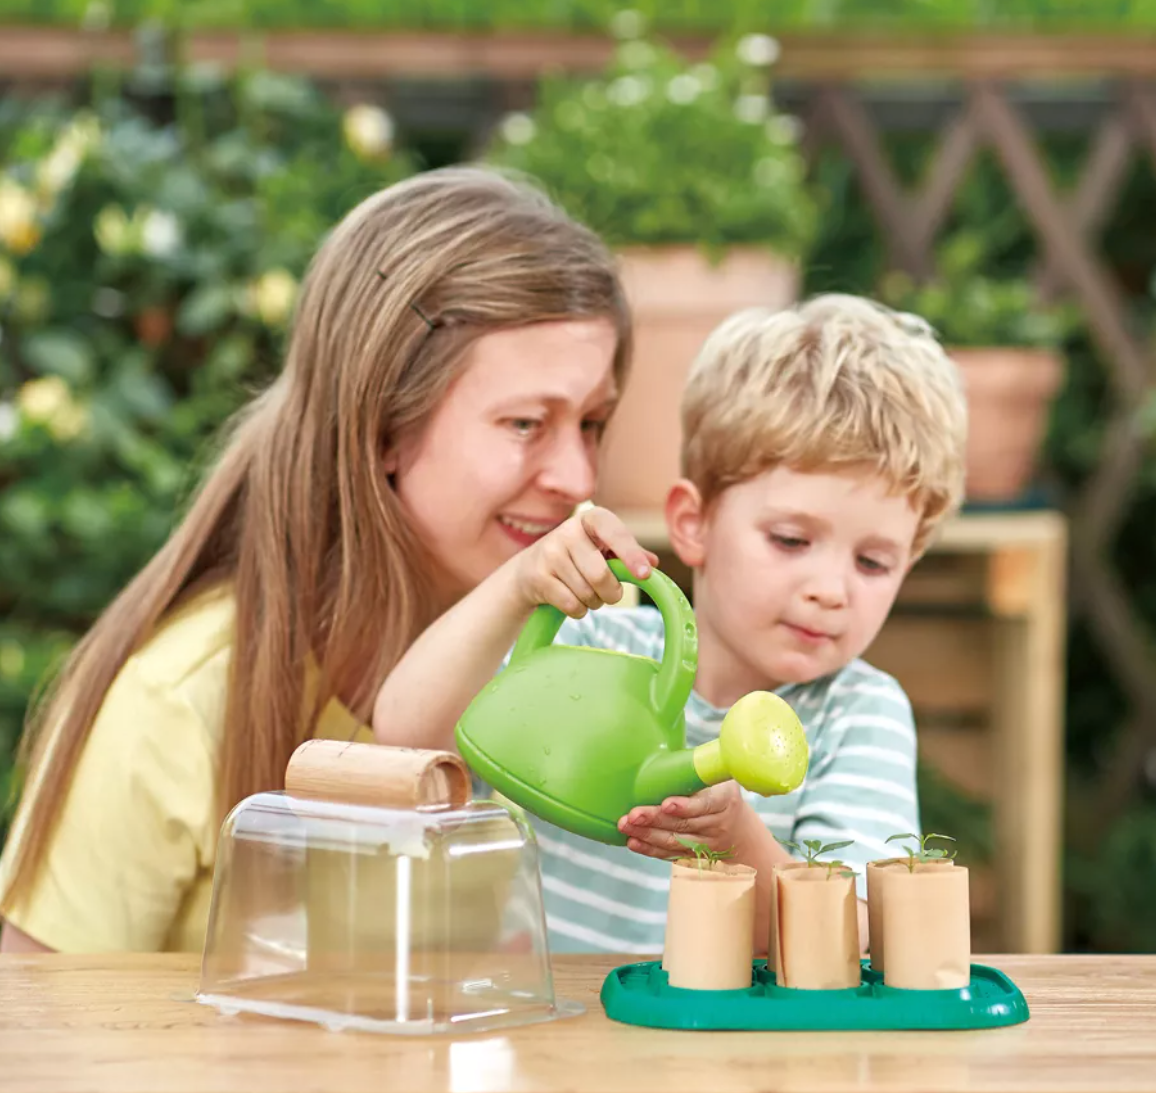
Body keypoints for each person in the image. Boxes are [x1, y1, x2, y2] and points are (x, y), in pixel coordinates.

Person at [0, 165, 648, 953]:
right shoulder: (178, 702)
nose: (576, 479)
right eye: (523, 424)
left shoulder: (587, 638)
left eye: (593, 424)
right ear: (380, 429)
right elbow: (36, 1028)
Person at [373, 294, 968, 956]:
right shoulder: (592, 646)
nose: (830, 590)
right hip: (548, 1037)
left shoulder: (857, 714)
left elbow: (850, 942)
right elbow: (404, 734)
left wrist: (737, 840)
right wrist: (516, 586)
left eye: (874, 561)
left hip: (737, 1055)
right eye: (792, 540)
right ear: (694, 523)